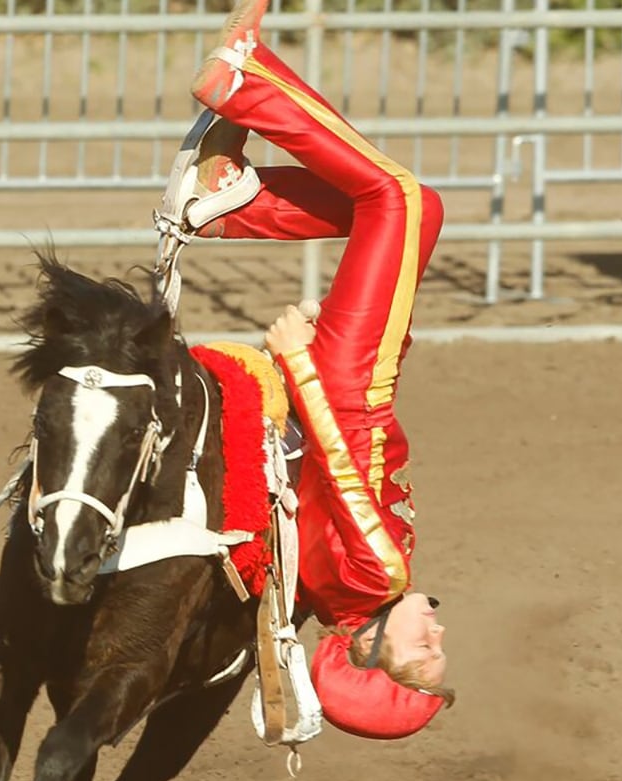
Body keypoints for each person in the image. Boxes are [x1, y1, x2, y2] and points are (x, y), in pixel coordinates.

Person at [172, 0, 452, 739]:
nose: (438, 638)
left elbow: (341, 466)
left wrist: (298, 364)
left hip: (348, 382)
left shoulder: (377, 579)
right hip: (344, 383)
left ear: (364, 650)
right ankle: (237, 203)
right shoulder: (330, 597)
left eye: (421, 653)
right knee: (409, 206)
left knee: (400, 199)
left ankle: (244, 86)